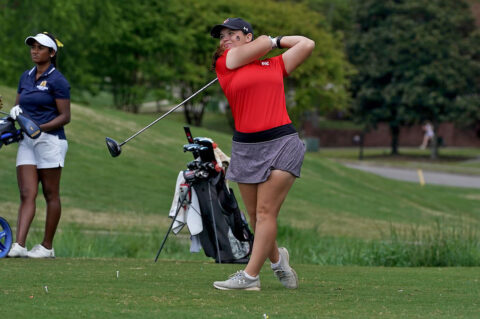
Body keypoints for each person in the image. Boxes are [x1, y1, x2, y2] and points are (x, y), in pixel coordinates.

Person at [209, 18, 315, 290]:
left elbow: (307, 44)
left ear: (248, 36)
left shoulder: (275, 64)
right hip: (246, 147)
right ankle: (279, 261)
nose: (225, 39)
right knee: (256, 216)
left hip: (283, 142)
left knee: (267, 212)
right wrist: (265, 42)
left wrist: (276, 41)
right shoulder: (226, 64)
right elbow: (244, 53)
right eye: (221, 36)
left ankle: (250, 276)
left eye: (232, 34)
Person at [7, 32, 70, 258]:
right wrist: (15, 114)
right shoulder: (26, 76)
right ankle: (20, 244)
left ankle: (46, 247)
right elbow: (19, 106)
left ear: (51, 53)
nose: (34, 50)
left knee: (51, 194)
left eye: (40, 47)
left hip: (50, 141)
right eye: (32, 46)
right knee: (27, 192)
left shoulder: (58, 80)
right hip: (27, 142)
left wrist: (39, 128)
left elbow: (65, 116)